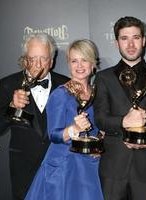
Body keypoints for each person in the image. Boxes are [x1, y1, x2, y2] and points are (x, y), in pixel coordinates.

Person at [94, 16, 146, 200]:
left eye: (136, 37)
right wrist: (124, 121)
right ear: (116, 42)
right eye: (124, 38)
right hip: (113, 167)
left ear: (144, 40)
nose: (130, 44)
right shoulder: (103, 78)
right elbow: (100, 118)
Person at [25, 39, 104, 200]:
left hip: (90, 165)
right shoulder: (60, 94)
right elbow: (53, 135)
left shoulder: (98, 94)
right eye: (74, 61)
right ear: (68, 64)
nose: (79, 66)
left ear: (92, 64)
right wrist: (74, 128)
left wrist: (100, 144)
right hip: (64, 168)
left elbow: (100, 128)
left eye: (84, 60)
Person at [0, 33, 69, 200]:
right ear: (24, 60)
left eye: (43, 59)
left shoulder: (66, 85)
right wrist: (11, 108)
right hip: (23, 168)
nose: (38, 65)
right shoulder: (8, 84)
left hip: (58, 167)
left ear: (52, 61)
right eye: (32, 59)